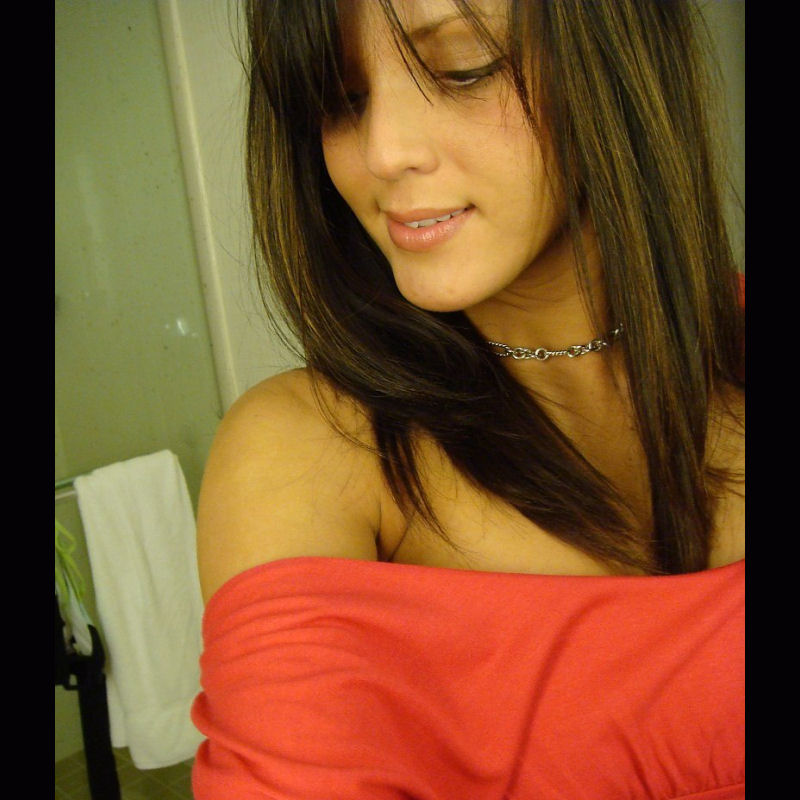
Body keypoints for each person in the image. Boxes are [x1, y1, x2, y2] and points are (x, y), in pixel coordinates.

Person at [191, 1, 744, 797]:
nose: (383, 152)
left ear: (619, 53)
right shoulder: (312, 449)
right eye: (342, 100)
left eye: (462, 69)